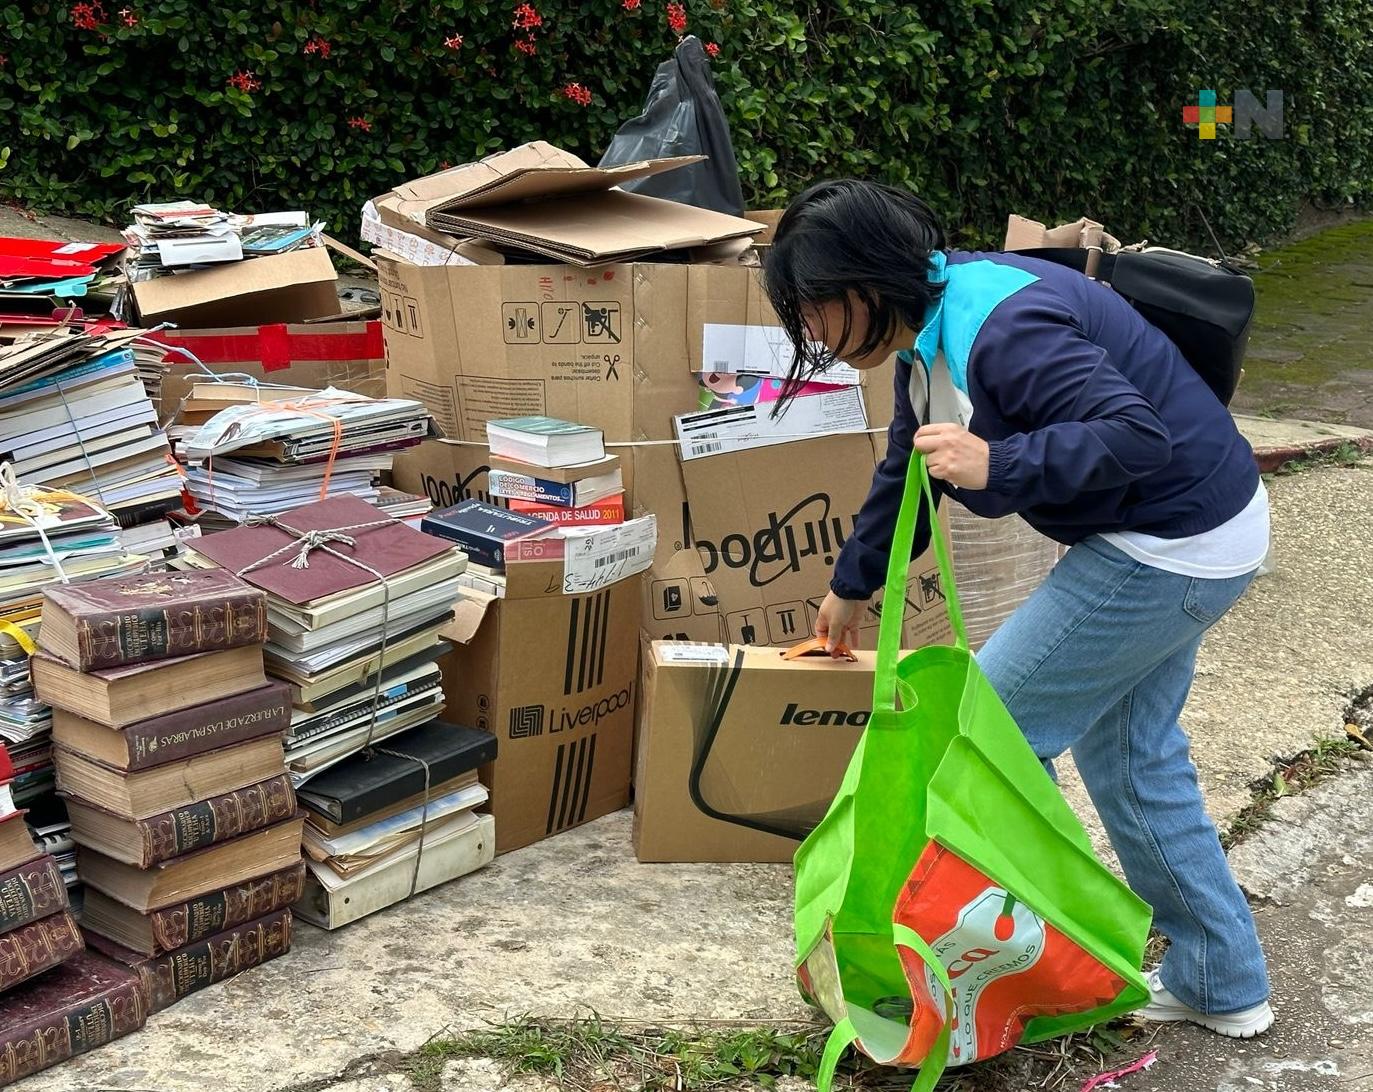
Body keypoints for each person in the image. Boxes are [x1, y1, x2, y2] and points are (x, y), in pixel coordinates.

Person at [764, 179, 1274, 1038]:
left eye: (812, 307)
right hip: (1200, 529)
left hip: (1166, 546)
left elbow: (1134, 434)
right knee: (1133, 765)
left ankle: (1024, 968)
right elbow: (911, 464)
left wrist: (998, 464)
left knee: (982, 742)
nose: (808, 332)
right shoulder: (933, 319)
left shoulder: (1002, 331)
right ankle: (1222, 983)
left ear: (866, 283)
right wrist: (853, 583)